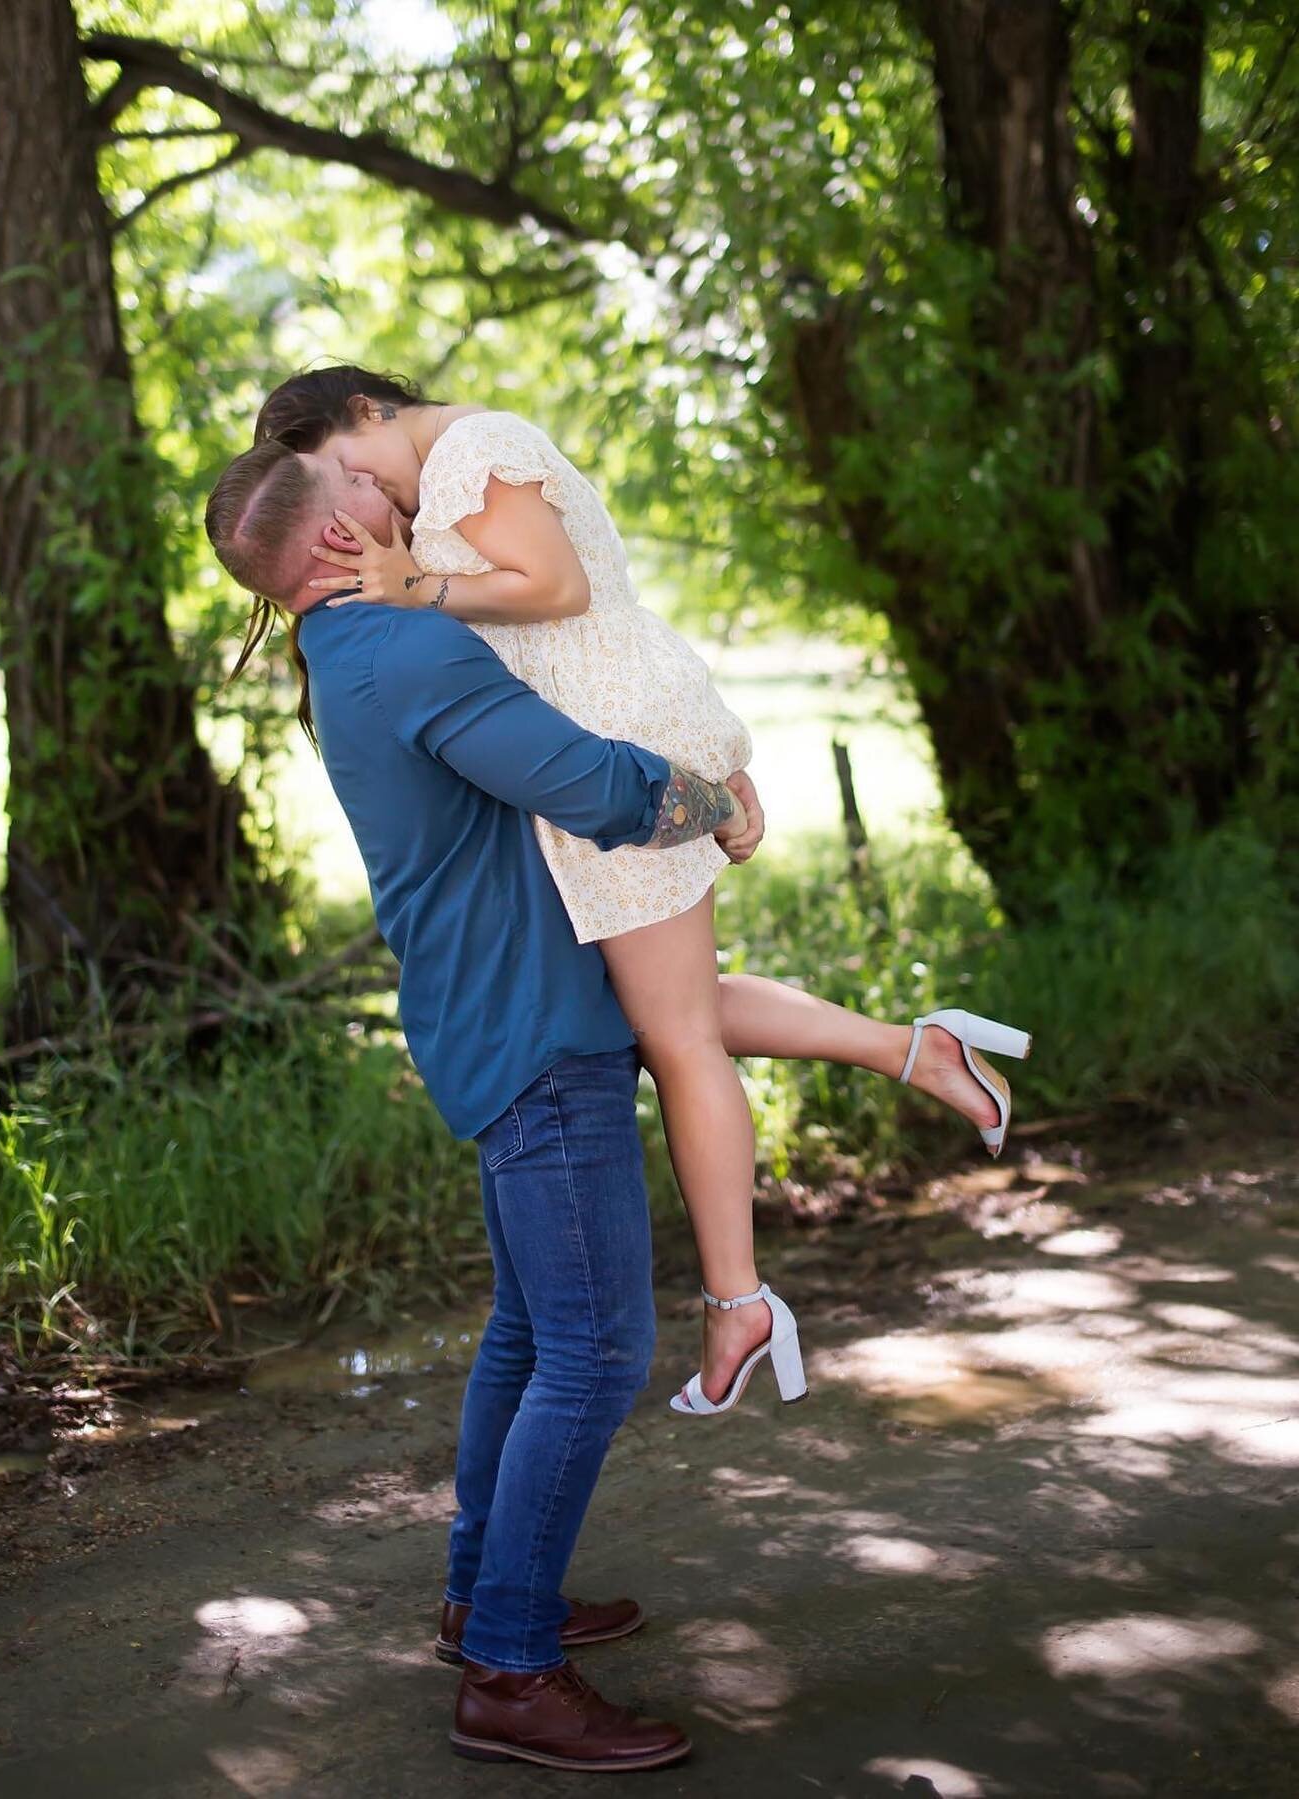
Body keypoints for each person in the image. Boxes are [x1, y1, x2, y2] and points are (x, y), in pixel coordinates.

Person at [245, 365, 1032, 1417]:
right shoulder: (429, 491)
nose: (357, 500)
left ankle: (738, 1297)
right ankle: (917, 1049)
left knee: (677, 1038)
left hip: (620, 755)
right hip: (594, 756)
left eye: (345, 468)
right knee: (665, 1006)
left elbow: (559, 591)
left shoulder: (472, 450)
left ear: (368, 412)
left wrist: (416, 588)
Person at [206, 436, 749, 1770]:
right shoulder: (404, 651)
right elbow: (582, 780)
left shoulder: (352, 653)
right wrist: (716, 799)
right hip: (531, 1029)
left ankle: (479, 1590)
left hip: (487, 1013)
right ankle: (510, 1666)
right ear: (334, 539)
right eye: (365, 494)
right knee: (600, 1345)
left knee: (527, 1329)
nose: (392, 496)